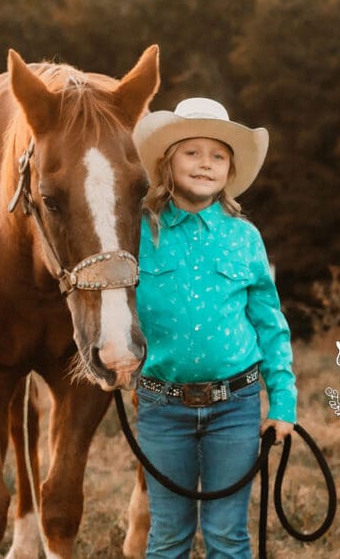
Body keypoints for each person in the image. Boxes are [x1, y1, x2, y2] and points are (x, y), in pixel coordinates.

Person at [132, 97, 298, 558]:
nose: (205, 164)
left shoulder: (244, 236)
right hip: (162, 407)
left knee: (228, 535)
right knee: (167, 536)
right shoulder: (139, 232)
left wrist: (282, 401)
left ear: (229, 169)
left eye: (218, 155)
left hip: (236, 406)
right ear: (168, 163)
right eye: (192, 152)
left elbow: (270, 321)